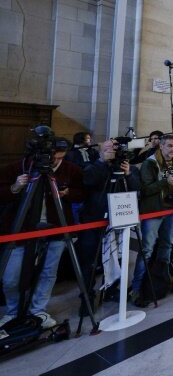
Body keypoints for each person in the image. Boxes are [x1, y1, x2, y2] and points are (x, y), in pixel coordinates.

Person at [0, 136, 85, 328]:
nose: (55, 162)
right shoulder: (18, 167)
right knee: (11, 275)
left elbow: (82, 192)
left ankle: (38, 309)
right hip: (21, 230)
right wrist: (15, 187)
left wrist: (68, 193)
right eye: (53, 157)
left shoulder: (71, 169)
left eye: (60, 158)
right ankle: (13, 311)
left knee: (48, 273)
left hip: (56, 227)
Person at [78, 140, 140, 305]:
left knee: (117, 257)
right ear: (100, 151)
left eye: (114, 149)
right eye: (108, 149)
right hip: (94, 219)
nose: (112, 151)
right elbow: (88, 181)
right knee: (89, 261)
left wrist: (128, 174)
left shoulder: (128, 167)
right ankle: (87, 296)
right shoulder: (92, 166)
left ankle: (113, 289)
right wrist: (102, 162)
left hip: (119, 219)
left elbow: (136, 190)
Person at [131, 134, 173, 303]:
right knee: (147, 248)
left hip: (172, 208)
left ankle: (162, 279)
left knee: (167, 245)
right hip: (154, 210)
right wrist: (165, 182)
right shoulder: (150, 163)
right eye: (169, 146)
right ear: (161, 146)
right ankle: (137, 287)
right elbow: (146, 189)